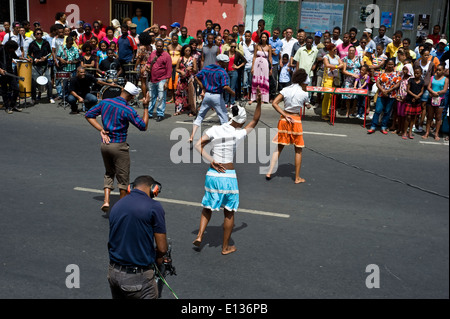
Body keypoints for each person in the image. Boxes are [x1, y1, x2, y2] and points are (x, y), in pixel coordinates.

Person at [193, 88, 262, 255]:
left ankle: (200, 235)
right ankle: (225, 247)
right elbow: (256, 119)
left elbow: (197, 145)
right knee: (229, 212)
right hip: (228, 176)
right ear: (240, 121)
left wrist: (212, 160)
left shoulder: (215, 129)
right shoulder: (239, 134)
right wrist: (259, 101)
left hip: (212, 173)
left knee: (207, 207)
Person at [85, 83, 150, 212]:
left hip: (105, 145)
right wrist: (146, 107)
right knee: (123, 178)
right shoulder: (128, 110)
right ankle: (121, 207)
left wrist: (101, 129)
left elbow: (89, 115)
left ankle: (106, 201)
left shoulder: (106, 102)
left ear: (121, 90)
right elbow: (143, 126)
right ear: (131, 97)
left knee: (109, 173)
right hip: (119, 146)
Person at [107, 175, 167, 299]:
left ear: (131, 188)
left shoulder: (117, 205)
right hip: (137, 278)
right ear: (153, 188)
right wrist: (159, 260)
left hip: (113, 274)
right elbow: (162, 249)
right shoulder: (154, 207)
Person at [265, 69, 310, 183]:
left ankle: (270, 171)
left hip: (284, 119)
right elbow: (308, 105)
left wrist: (284, 114)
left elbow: (274, 103)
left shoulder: (286, 89)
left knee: (279, 147)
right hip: (295, 120)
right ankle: (297, 177)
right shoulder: (304, 93)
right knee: (298, 150)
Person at [189, 54, 235, 143]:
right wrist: (233, 93)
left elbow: (196, 76)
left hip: (207, 95)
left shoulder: (207, 68)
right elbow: (225, 86)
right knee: (223, 116)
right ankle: (225, 137)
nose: (227, 64)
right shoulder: (222, 72)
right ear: (221, 62)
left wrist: (202, 85)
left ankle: (192, 136)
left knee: (200, 116)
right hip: (217, 96)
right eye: (226, 63)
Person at [368, 58, 402, 134]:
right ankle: (373, 126)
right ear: (386, 65)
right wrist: (383, 90)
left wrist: (389, 91)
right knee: (378, 110)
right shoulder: (382, 73)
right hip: (381, 94)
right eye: (389, 64)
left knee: (387, 111)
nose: (390, 66)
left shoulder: (397, 73)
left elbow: (398, 84)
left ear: (394, 65)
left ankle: (383, 127)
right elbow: (378, 83)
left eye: (392, 64)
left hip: (391, 95)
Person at [146, 39, 172, 122]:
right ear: (156, 46)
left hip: (162, 79)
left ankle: (160, 114)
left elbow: (169, 69)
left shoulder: (167, 56)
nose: (159, 47)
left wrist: (167, 81)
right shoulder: (153, 54)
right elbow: (149, 62)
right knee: (151, 97)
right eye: (158, 46)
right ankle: (149, 113)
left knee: (161, 97)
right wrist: (147, 66)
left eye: (161, 46)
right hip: (152, 79)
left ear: (163, 46)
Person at [422, 64, 449, 141]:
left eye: (440, 70)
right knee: (429, 116)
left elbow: (445, 90)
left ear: (444, 71)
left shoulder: (445, 79)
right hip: (431, 98)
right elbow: (428, 87)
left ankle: (436, 133)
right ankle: (427, 132)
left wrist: (437, 93)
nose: (438, 71)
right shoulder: (432, 77)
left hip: (440, 99)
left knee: (438, 117)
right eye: (437, 69)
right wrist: (432, 92)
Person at [28, 28, 53, 105]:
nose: (39, 35)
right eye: (37, 34)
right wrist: (34, 59)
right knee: (34, 82)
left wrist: (45, 57)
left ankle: (50, 97)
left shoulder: (46, 43)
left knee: (48, 81)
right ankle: (33, 98)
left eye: (41, 34)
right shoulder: (32, 44)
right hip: (36, 66)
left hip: (45, 65)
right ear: (34, 35)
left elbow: (50, 53)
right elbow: (28, 54)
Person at [413, 48, 435, 133]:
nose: (426, 57)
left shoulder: (431, 64)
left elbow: (432, 76)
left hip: (426, 87)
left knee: (423, 106)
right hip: (417, 86)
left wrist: (431, 88)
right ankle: (414, 124)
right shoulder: (417, 63)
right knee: (415, 105)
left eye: (428, 55)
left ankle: (421, 125)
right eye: (425, 55)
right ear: (421, 55)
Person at [321, 43, 344, 121]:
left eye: (336, 49)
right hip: (328, 79)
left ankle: (329, 112)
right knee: (326, 96)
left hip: (335, 78)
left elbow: (342, 65)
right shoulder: (326, 57)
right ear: (330, 50)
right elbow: (327, 65)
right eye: (334, 50)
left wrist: (334, 67)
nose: (336, 51)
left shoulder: (337, 57)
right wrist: (336, 67)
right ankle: (324, 113)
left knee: (332, 97)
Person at [174, 44, 197, 116]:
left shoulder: (193, 59)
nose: (188, 52)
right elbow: (176, 68)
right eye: (186, 50)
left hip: (189, 79)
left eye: (189, 51)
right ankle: (179, 109)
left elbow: (196, 70)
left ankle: (191, 111)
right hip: (181, 79)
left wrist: (192, 69)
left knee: (189, 95)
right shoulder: (180, 59)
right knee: (179, 94)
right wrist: (181, 71)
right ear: (183, 51)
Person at [403, 66, 424, 139]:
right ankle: (405, 131)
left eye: (418, 73)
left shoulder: (422, 81)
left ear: (421, 74)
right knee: (408, 117)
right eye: (415, 73)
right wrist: (415, 96)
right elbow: (408, 90)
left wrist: (417, 97)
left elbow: (422, 91)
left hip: (417, 101)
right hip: (410, 100)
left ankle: (410, 131)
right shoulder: (411, 80)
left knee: (413, 117)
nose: (416, 75)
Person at [223, 40, 246, 108]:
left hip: (234, 72)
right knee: (227, 87)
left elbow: (244, 61)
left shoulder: (237, 53)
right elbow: (222, 60)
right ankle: (226, 102)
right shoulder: (226, 52)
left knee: (233, 88)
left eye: (234, 47)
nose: (233, 48)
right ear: (229, 46)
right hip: (227, 72)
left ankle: (232, 102)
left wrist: (238, 66)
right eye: (232, 47)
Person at [0, 40, 21, 114]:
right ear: (9, 47)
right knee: (4, 90)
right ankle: (7, 107)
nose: (13, 50)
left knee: (16, 89)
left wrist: (24, 59)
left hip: (10, 72)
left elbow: (16, 57)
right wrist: (0, 69)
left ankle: (13, 105)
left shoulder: (11, 51)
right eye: (12, 49)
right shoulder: (1, 49)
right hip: (2, 73)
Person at [251, 32, 271, 104]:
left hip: (265, 64)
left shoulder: (269, 47)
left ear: (267, 38)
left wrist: (270, 68)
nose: (264, 39)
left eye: (265, 37)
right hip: (257, 63)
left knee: (263, 80)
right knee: (256, 79)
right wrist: (252, 67)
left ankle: (263, 98)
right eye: (262, 37)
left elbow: (270, 58)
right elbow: (254, 57)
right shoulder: (257, 46)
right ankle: (254, 97)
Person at [342, 46, 362, 117]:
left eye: (353, 50)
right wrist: (352, 74)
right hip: (349, 78)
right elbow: (344, 70)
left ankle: (353, 109)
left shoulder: (358, 58)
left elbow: (362, 67)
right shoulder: (345, 59)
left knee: (356, 94)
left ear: (355, 51)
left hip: (358, 78)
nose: (351, 52)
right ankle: (347, 110)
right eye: (350, 50)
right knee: (348, 95)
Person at [134, 32, 152, 97]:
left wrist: (135, 66)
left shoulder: (141, 48)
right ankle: (149, 95)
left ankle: (144, 96)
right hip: (150, 66)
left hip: (143, 66)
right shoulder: (150, 47)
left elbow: (139, 58)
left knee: (143, 82)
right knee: (149, 82)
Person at [167, 34, 182, 104]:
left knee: (176, 82)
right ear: (171, 39)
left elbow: (182, 57)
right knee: (171, 82)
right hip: (170, 66)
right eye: (174, 39)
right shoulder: (169, 47)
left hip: (177, 67)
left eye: (176, 39)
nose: (175, 40)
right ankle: (172, 98)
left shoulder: (180, 47)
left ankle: (177, 97)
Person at [269, 27, 283, 101]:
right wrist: (272, 49)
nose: (275, 34)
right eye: (274, 32)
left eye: (277, 33)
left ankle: (272, 95)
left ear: (279, 34)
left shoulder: (280, 42)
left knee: (273, 80)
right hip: (266, 62)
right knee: (266, 79)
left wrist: (269, 49)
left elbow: (275, 53)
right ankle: (266, 95)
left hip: (274, 63)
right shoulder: (268, 39)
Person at [242, 30, 254, 100]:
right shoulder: (241, 44)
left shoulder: (254, 44)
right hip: (244, 66)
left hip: (251, 65)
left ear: (251, 36)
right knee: (244, 81)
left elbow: (255, 55)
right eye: (246, 36)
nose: (247, 37)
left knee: (250, 81)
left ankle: (250, 94)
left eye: (248, 36)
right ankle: (245, 94)